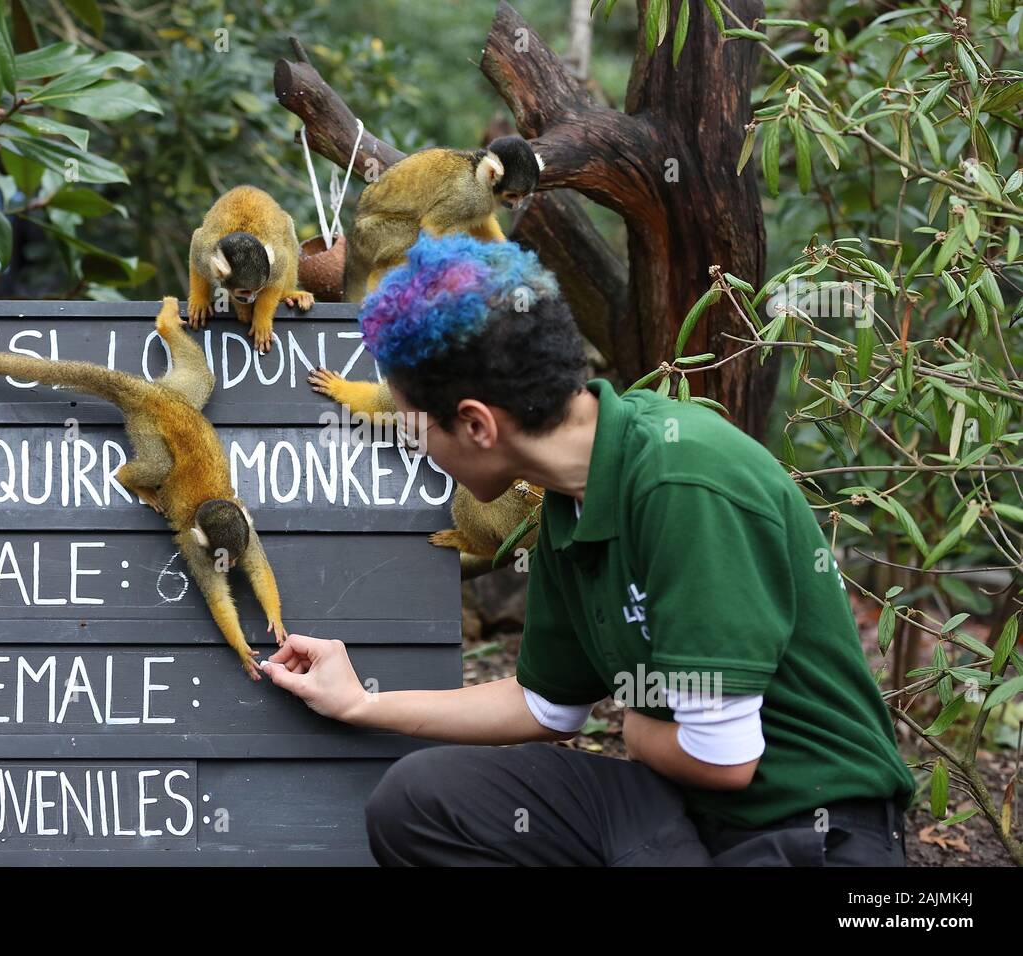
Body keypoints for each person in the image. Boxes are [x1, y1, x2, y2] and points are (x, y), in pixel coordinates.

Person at [260, 233, 915, 866]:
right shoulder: (573, 501)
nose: (412, 438)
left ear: (476, 424)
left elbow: (724, 756)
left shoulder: (682, 479)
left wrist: (635, 728)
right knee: (423, 801)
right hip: (681, 811)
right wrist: (365, 703)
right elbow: (548, 704)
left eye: (415, 421)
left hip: (808, 830)